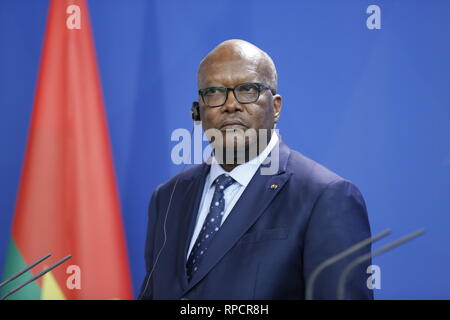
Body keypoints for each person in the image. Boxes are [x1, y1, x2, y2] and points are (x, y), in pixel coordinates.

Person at [139, 39, 373, 300]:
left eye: (248, 89)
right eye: (214, 92)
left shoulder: (325, 196)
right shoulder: (168, 197)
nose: (230, 105)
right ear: (199, 110)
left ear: (275, 107)